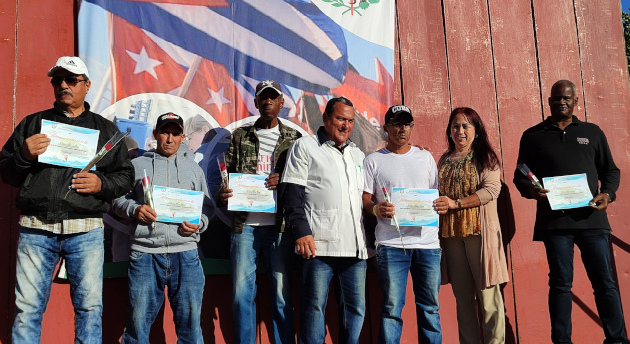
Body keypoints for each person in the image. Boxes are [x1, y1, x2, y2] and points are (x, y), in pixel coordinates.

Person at [0, 56, 134, 344]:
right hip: (36, 227)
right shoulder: (33, 123)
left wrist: (101, 184)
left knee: (89, 308)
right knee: (27, 310)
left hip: (85, 229)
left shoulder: (104, 129)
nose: (63, 85)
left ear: (87, 85)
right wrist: (23, 155)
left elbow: (125, 176)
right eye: (57, 80)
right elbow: (6, 173)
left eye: (71, 80)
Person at [513, 80, 628, 344]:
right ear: (549, 101)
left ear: (576, 101)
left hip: (592, 220)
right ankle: (562, 341)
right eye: (556, 98)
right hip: (555, 223)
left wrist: (607, 194)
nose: (561, 102)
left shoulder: (592, 132)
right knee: (561, 284)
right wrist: (532, 192)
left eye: (567, 98)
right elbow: (520, 175)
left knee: (604, 283)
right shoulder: (532, 135)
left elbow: (611, 171)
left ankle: (617, 339)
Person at [112, 112, 210, 343]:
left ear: (183, 137)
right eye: (165, 132)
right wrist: (135, 209)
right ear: (155, 134)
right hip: (145, 254)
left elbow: (207, 208)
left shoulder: (194, 170)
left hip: (186, 255)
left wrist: (199, 224)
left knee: (191, 329)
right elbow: (117, 200)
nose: (169, 139)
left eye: (175, 134)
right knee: (137, 328)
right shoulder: (136, 165)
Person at [218, 80, 302, 344]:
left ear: (281, 103)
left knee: (281, 295)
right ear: (255, 102)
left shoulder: (295, 139)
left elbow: (303, 182)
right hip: (244, 227)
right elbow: (226, 175)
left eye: (272, 97)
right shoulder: (239, 136)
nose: (267, 102)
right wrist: (224, 193)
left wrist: (283, 181)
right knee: (242, 296)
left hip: (280, 228)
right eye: (262, 98)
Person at [283, 97, 369, 344]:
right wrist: (300, 231)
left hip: (355, 249)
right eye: (341, 119)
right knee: (314, 310)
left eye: (351, 121)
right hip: (318, 246)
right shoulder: (305, 147)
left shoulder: (357, 153)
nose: (346, 125)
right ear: (326, 118)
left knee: (355, 311)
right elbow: (292, 194)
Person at [362, 105, 442, 344]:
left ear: (412, 127)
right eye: (396, 124)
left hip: (427, 244)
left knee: (430, 309)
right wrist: (376, 209)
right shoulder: (373, 160)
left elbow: (434, 195)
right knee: (391, 309)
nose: (402, 129)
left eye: (407, 124)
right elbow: (365, 199)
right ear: (386, 128)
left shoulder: (425, 157)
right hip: (391, 244)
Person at [433, 107, 508, 344]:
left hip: (480, 234)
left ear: (476, 130)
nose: (460, 131)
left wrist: (456, 204)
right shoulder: (444, 159)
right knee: (463, 300)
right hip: (452, 236)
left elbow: (491, 191)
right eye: (455, 126)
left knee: (488, 299)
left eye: (466, 126)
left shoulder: (486, 158)